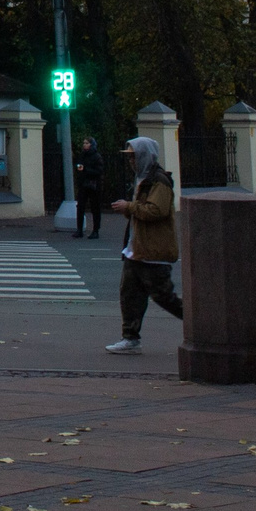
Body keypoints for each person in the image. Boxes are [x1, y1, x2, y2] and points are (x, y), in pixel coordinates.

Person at [105, 135, 182, 354]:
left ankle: (203, 325)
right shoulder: (143, 179)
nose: (131, 162)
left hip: (152, 251)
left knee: (165, 297)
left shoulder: (158, 181)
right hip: (137, 250)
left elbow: (156, 211)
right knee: (129, 294)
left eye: (134, 157)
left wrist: (129, 207)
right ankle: (130, 338)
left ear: (144, 156)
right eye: (129, 158)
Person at [74, 136, 106, 240]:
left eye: (87, 143)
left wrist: (85, 170)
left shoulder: (97, 156)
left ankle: (95, 230)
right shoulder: (82, 155)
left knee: (95, 208)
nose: (84, 145)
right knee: (80, 207)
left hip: (94, 185)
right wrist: (79, 168)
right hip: (83, 184)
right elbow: (78, 165)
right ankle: (79, 230)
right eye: (84, 143)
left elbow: (99, 171)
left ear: (91, 145)